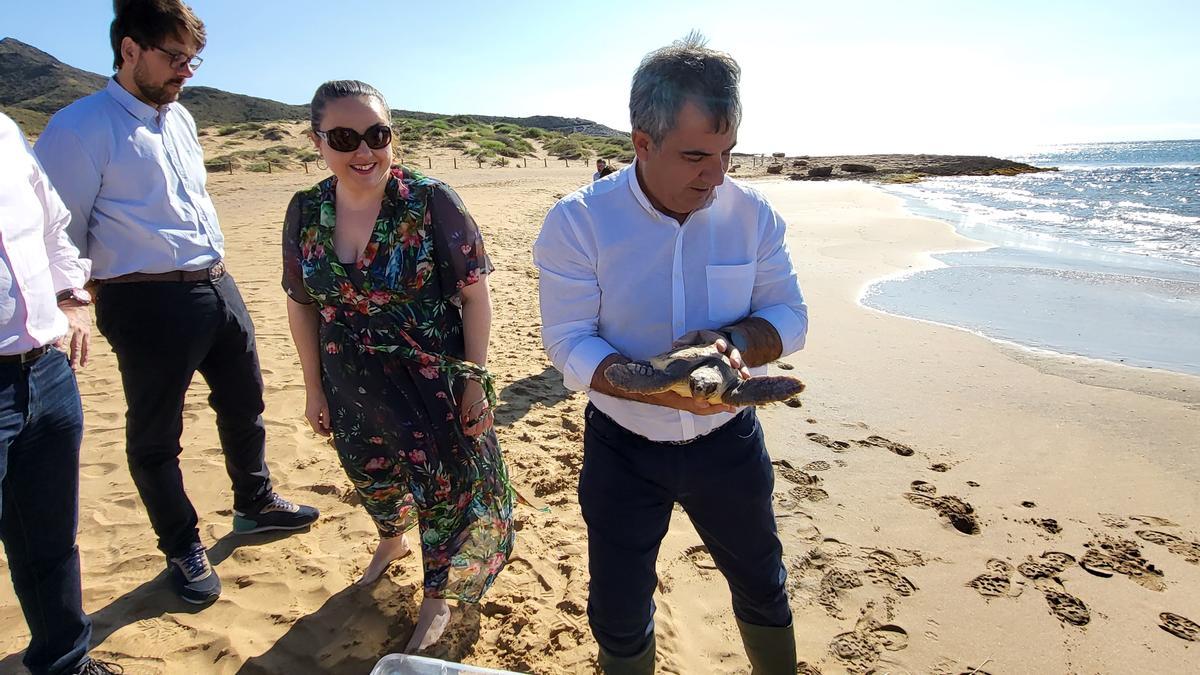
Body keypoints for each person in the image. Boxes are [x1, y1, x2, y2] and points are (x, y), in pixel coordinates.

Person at [534, 34, 808, 674]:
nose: (716, 177)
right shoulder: (579, 223)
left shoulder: (753, 216)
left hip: (730, 446)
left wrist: (730, 348)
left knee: (764, 587)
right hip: (623, 449)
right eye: (695, 156)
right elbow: (568, 341)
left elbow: (790, 316)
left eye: (727, 154)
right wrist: (655, 382)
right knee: (619, 612)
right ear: (642, 142)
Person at [33, 0, 318, 606]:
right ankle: (182, 545)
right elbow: (57, 232)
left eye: (193, 60)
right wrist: (75, 299)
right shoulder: (78, 127)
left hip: (216, 284)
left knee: (245, 403)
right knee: (156, 436)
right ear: (128, 49)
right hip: (143, 301)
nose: (186, 73)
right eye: (174, 58)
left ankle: (254, 502)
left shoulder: (180, 120)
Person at [283, 80, 515, 652]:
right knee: (373, 475)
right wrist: (314, 389)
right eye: (344, 137)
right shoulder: (306, 210)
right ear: (318, 143)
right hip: (349, 378)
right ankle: (391, 538)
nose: (363, 151)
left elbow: (476, 296)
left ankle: (437, 592)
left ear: (392, 136)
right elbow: (300, 303)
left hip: (430, 377)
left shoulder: (430, 200)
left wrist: (473, 381)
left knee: (447, 488)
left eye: (376, 135)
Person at [0, 112, 121, 675]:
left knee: (48, 537)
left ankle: (64, 662)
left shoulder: (5, 132)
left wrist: (73, 294)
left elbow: (52, 226)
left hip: (47, 370)